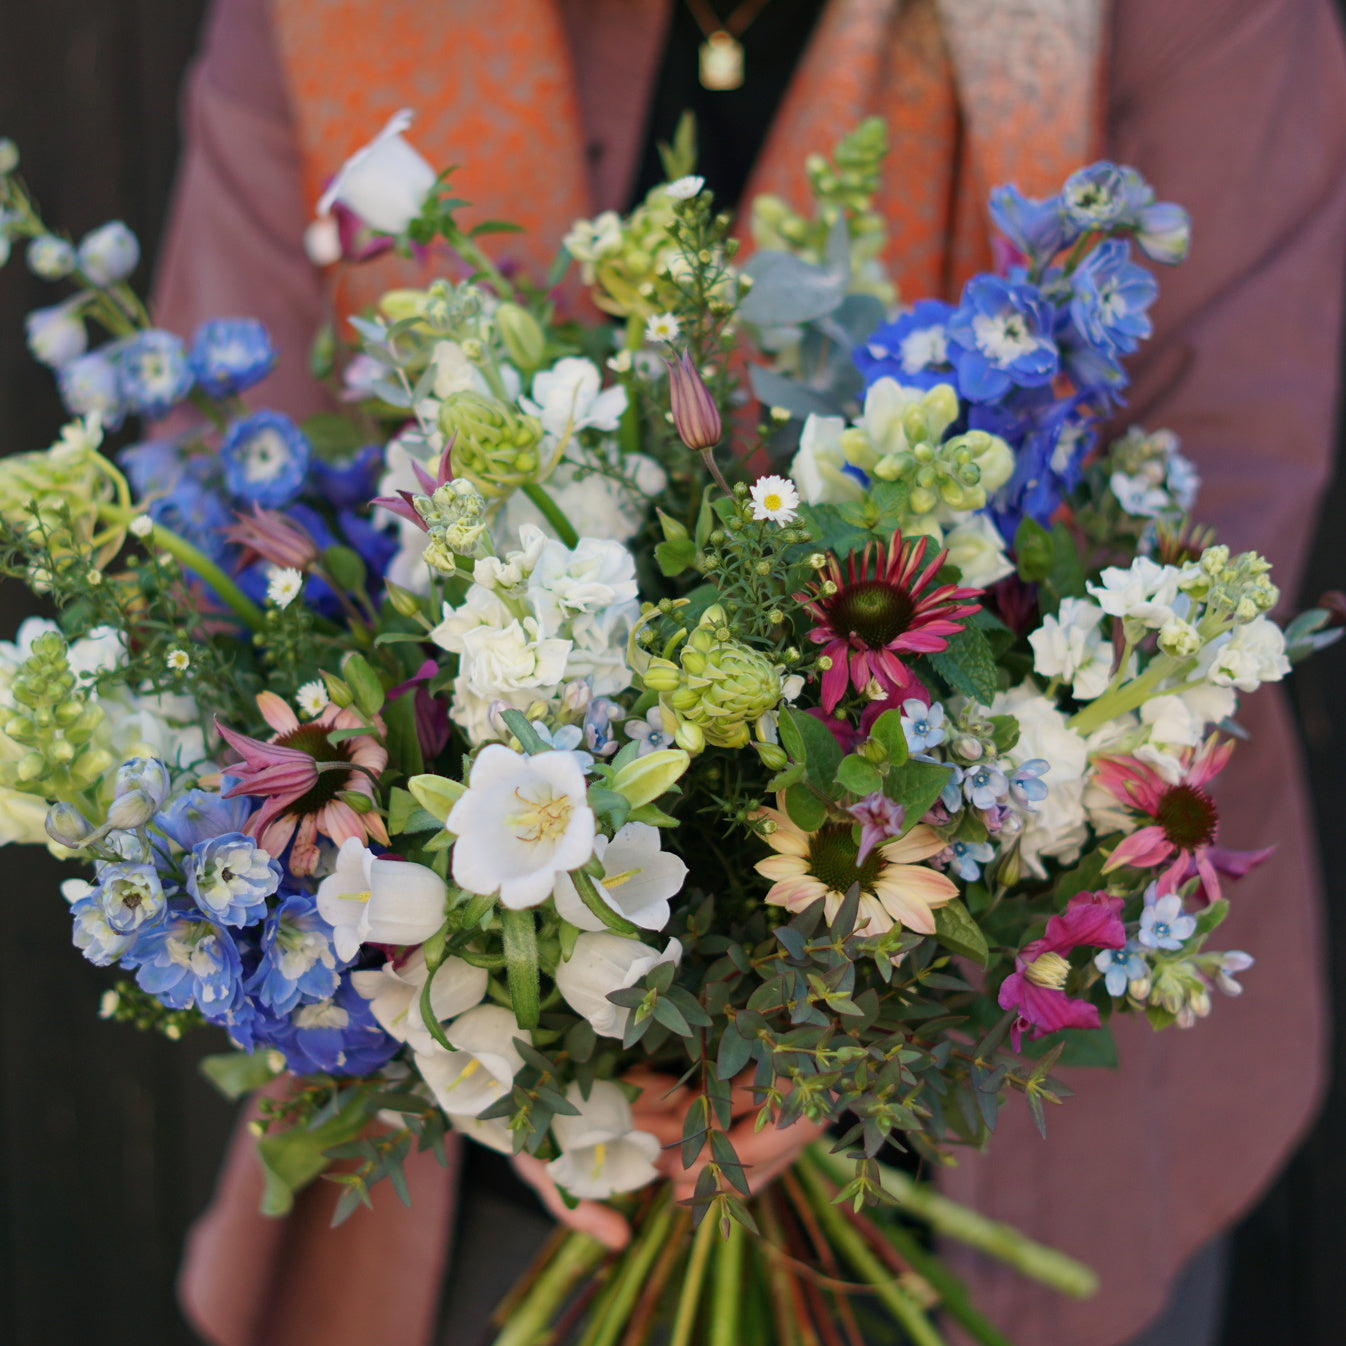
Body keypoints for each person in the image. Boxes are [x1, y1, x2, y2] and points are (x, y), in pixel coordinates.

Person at [153, 2, 1346, 1344]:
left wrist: (824, 1019)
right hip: (472, 1127)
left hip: (983, 1091)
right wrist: (514, 1051)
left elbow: (1209, 520)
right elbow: (218, 507)